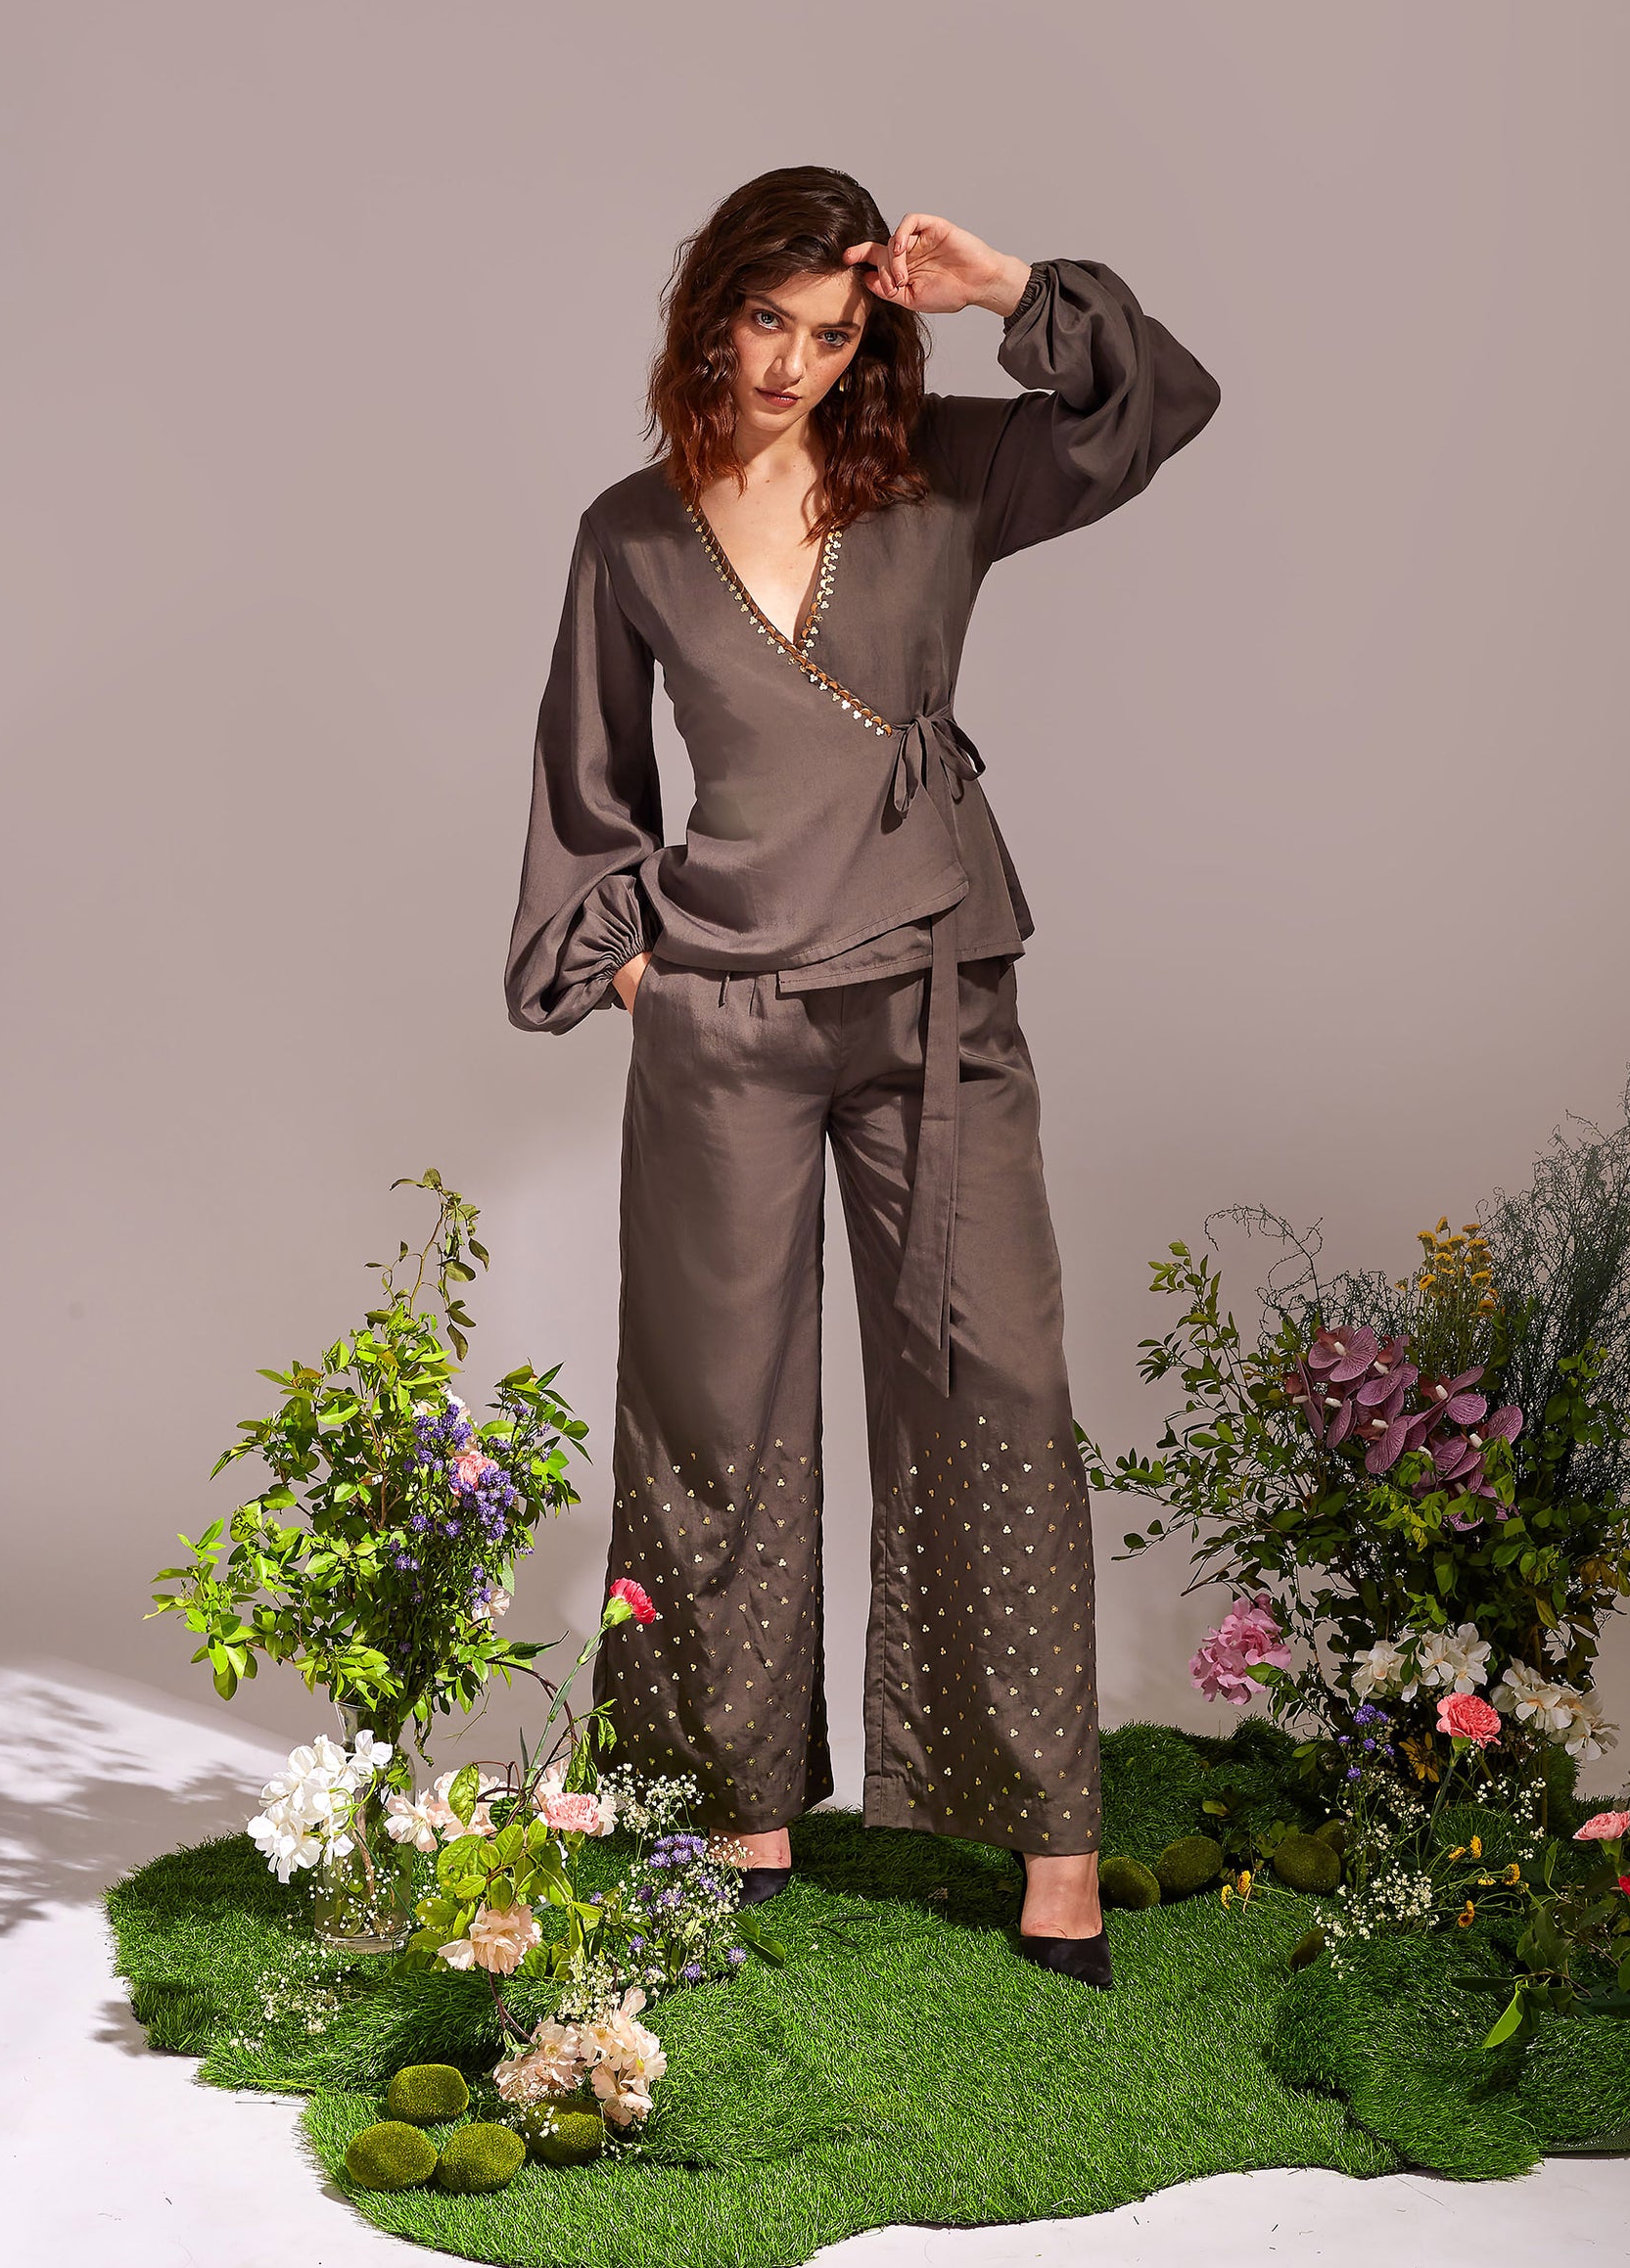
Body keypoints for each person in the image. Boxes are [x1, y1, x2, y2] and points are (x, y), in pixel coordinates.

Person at [504, 167, 1220, 1986]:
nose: (792, 365)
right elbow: (588, 790)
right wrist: (643, 971)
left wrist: (1002, 290)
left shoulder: (939, 472)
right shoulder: (627, 534)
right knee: (715, 1402)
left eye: (831, 335)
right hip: (727, 1016)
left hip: (931, 994)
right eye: (767, 322)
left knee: (994, 1380)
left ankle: (1049, 1838)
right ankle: (734, 1808)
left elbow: (1153, 406)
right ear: (711, 310)